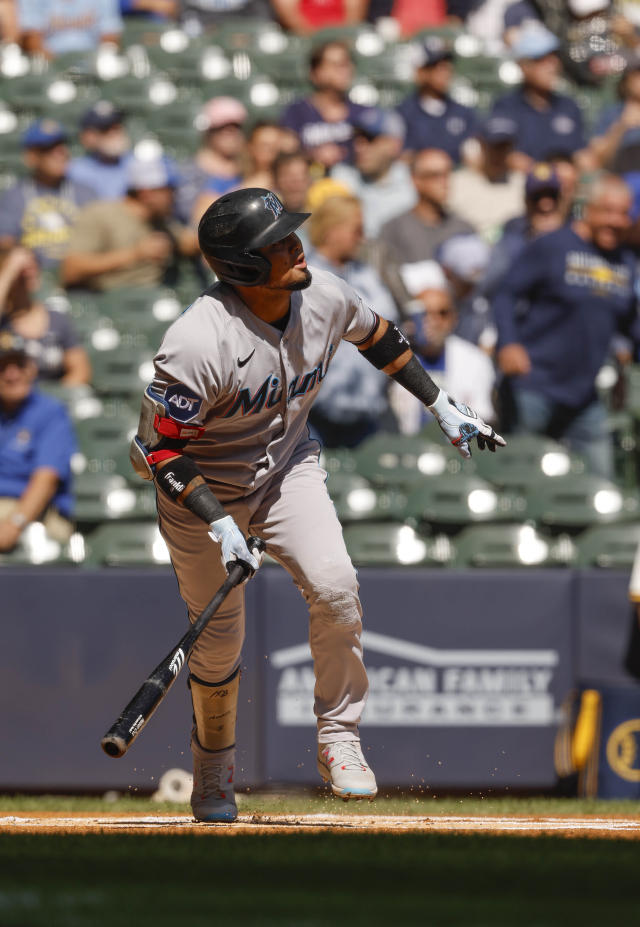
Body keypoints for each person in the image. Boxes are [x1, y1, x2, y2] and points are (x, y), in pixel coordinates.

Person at [129, 186, 504, 822]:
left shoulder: (322, 292)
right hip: (203, 492)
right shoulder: (197, 340)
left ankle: (339, 738)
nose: (296, 245)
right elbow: (159, 452)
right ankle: (214, 772)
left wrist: (439, 403)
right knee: (219, 643)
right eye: (276, 243)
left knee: (336, 585)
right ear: (244, 266)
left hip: (286, 469)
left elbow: (379, 336)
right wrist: (219, 522)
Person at [494, 173, 638, 478]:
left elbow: (629, 323)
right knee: (522, 478)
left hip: (584, 395)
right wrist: (508, 342)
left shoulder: (624, 262)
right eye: (609, 211)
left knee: (602, 485)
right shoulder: (553, 246)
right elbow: (505, 294)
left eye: (624, 213)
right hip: (535, 383)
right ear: (589, 209)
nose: (617, 220)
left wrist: (625, 360)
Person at [305, 194, 399, 447]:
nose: (362, 237)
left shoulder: (366, 275)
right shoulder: (304, 277)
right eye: (356, 229)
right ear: (332, 230)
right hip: (311, 416)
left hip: (366, 412)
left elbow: (389, 327)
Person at [61, 156, 198, 292]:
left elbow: (188, 244)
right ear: (147, 193)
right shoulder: (100, 214)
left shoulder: (162, 220)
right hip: (107, 303)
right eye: (170, 191)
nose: (175, 196)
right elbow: (71, 270)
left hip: (155, 301)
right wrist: (135, 254)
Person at [390, 259, 496, 432]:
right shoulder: (393, 357)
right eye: (425, 313)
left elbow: (482, 418)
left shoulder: (475, 360)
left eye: (443, 313)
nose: (434, 321)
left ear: (454, 318)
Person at [0, 331, 76, 552]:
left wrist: (15, 524)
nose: (12, 374)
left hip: (35, 511)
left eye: (19, 365)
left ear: (31, 368)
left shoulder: (50, 412)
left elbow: (46, 480)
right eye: (3, 367)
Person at [0, 120, 95, 270]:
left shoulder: (86, 193)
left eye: (62, 145)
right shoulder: (14, 196)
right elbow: (5, 243)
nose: (60, 153)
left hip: (81, 279)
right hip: (32, 279)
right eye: (49, 148)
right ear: (31, 156)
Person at [489, 24, 587, 170]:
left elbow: (582, 156)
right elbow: (504, 157)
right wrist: (547, 175)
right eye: (542, 59)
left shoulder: (569, 106)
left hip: (565, 188)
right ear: (524, 66)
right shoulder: (506, 106)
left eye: (554, 57)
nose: (553, 65)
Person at [0, 247, 91, 384]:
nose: (29, 272)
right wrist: (10, 271)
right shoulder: (3, 321)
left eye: (33, 265)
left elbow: (80, 370)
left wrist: (49, 400)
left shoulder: (56, 318)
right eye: (22, 269)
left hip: (48, 399)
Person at [279, 40, 373, 172]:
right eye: (336, 65)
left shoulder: (364, 113)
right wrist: (313, 155)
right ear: (316, 73)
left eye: (347, 64)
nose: (345, 70)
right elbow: (286, 154)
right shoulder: (296, 112)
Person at [377, 147, 474, 264]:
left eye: (447, 174)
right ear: (415, 180)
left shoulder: (463, 229)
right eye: (435, 175)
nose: (444, 182)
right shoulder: (393, 230)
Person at [331, 107, 415, 237]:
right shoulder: (341, 178)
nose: (359, 147)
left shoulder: (413, 180)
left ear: (395, 144)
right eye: (357, 139)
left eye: (370, 139)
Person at [396, 36, 479, 166]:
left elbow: (474, 157)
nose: (445, 72)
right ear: (420, 72)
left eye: (447, 66)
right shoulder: (403, 113)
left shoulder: (464, 113)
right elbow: (402, 157)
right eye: (436, 67)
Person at [447, 115, 525, 241]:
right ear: (481, 145)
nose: (499, 154)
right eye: (494, 146)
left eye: (504, 147)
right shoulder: (456, 182)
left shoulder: (521, 183)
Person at [176, 96, 248, 225]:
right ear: (209, 132)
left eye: (236, 128)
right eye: (223, 128)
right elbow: (189, 216)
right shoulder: (190, 170)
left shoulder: (249, 166)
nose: (231, 134)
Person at [68, 102, 133, 201]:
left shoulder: (140, 165)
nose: (113, 133)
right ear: (87, 136)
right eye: (105, 129)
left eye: (117, 126)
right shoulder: (74, 171)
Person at [18, 0, 122, 57]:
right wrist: (57, 65)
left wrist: (100, 60)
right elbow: (31, 37)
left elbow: (110, 36)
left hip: (92, 63)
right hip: (49, 64)